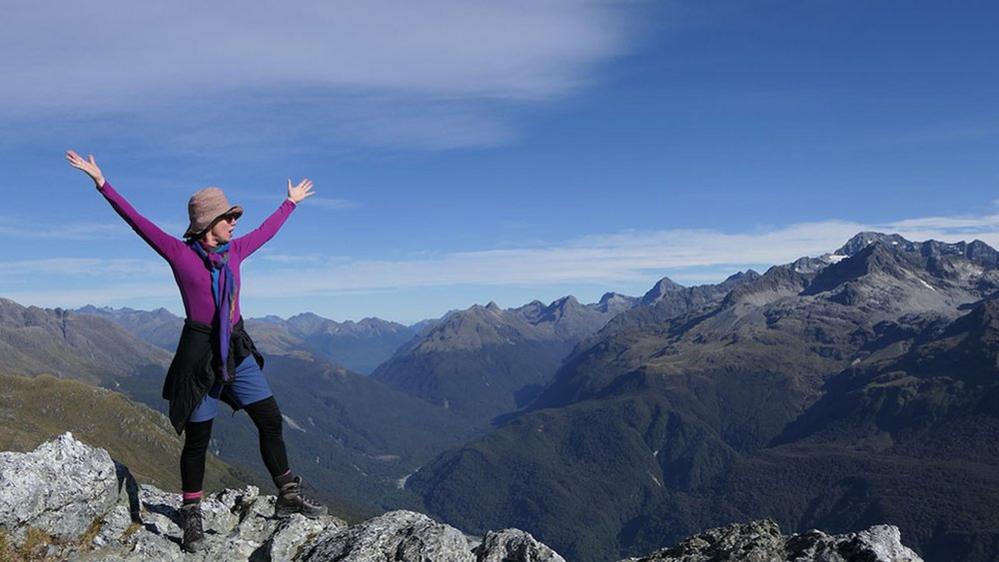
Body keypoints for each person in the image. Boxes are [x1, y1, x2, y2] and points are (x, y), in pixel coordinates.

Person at [66, 150, 326, 553]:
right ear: (208, 224)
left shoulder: (235, 252)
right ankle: (192, 516)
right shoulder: (180, 254)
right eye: (229, 218)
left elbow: (268, 231)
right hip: (199, 354)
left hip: (235, 348)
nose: (236, 223)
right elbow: (137, 222)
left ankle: (287, 494)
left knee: (270, 419)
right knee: (198, 440)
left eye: (235, 217)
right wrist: (103, 183)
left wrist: (289, 203)